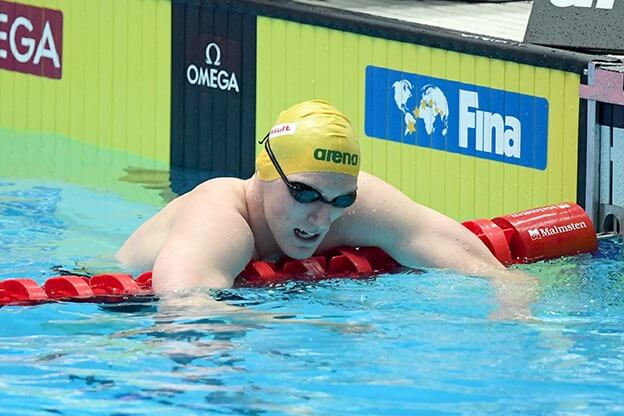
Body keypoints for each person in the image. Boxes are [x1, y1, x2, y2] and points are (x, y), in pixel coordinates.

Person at [116, 100, 536, 318]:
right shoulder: (219, 218)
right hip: (116, 309)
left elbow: (465, 257)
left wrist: (511, 299)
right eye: (303, 193)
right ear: (267, 171)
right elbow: (182, 311)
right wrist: (303, 327)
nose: (322, 218)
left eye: (342, 200)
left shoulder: (347, 203)